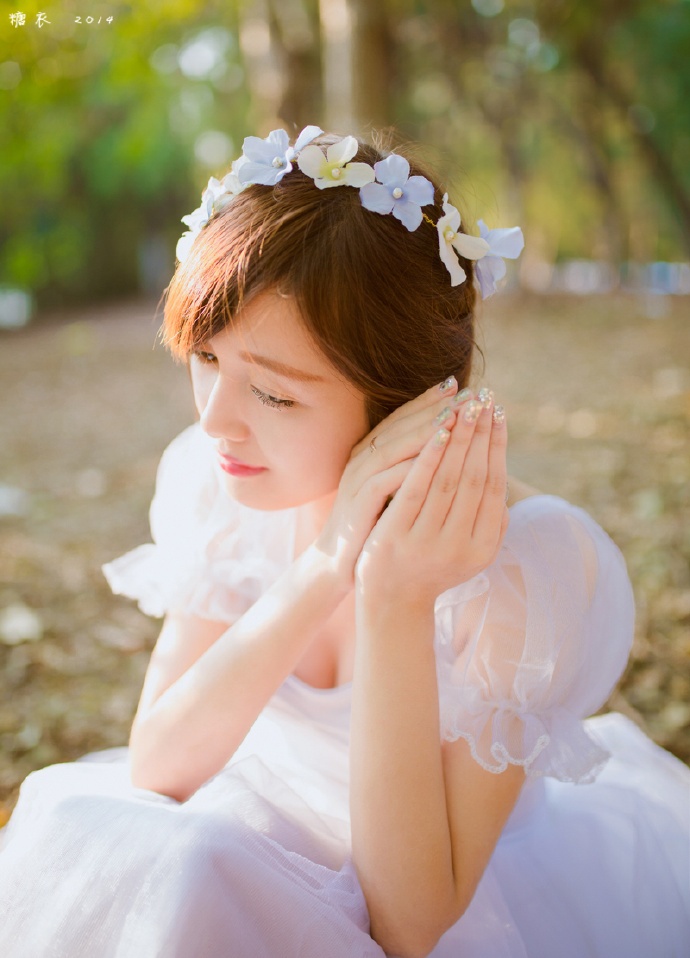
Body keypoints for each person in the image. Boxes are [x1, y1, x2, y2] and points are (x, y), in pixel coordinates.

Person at [0, 125, 688, 958]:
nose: (214, 418)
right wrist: (326, 566)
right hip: (243, 836)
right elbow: (159, 764)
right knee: (141, 848)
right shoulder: (223, 483)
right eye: (207, 358)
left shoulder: (524, 566)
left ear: (407, 404)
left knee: (195, 865)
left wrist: (395, 599)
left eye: (275, 396)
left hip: (452, 900)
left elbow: (408, 923)